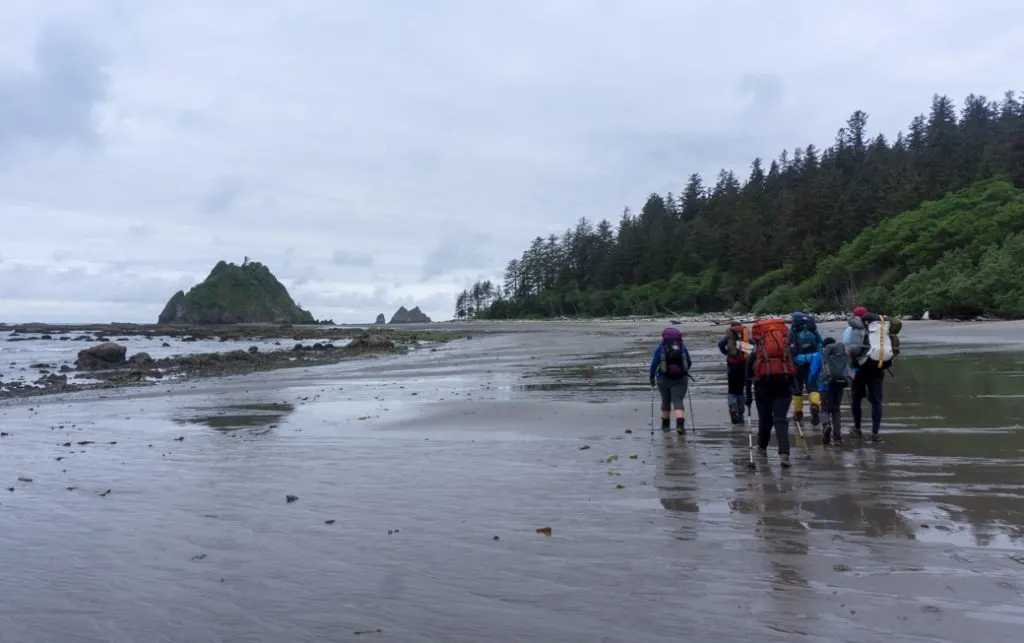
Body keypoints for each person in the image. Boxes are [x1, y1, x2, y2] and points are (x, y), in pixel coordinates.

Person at [744, 317, 796, 468]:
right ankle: (784, 453)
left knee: (765, 420)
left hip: (762, 388)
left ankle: (762, 448)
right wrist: (796, 388)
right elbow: (794, 369)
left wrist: (748, 396)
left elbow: (747, 377)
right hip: (784, 386)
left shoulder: (755, 353)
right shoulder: (786, 351)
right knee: (780, 419)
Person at [842, 306, 894, 443]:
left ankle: (857, 429)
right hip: (878, 366)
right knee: (876, 401)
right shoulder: (881, 327)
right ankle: (875, 433)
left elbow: (851, 349)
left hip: (860, 368)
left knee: (856, 399)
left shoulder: (853, 329)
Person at [808, 337, 852, 446]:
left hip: (824, 387)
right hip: (839, 386)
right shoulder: (842, 355)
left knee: (824, 410)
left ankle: (826, 425)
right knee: (836, 410)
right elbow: (850, 370)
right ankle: (837, 437)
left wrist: (811, 383)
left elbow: (813, 372)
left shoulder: (820, 355)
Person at [649, 327, 693, 434]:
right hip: (680, 378)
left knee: (665, 401)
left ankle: (665, 426)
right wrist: (683, 372)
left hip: (663, 378)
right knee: (678, 400)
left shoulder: (661, 348)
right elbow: (689, 362)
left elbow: (654, 364)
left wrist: (651, 378)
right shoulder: (682, 348)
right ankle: (680, 425)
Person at [789, 311, 824, 430]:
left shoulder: (793, 330)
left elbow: (789, 346)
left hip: (798, 362)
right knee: (813, 386)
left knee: (797, 389)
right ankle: (814, 405)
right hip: (813, 361)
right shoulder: (812, 328)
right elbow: (821, 342)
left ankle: (798, 413)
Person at [717, 320, 750, 424]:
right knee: (740, 390)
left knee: (732, 390)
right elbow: (753, 346)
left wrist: (726, 353)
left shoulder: (729, 336)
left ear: (731, 328)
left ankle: (733, 408)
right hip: (744, 366)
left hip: (732, 366)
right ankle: (740, 413)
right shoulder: (744, 336)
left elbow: (720, 344)